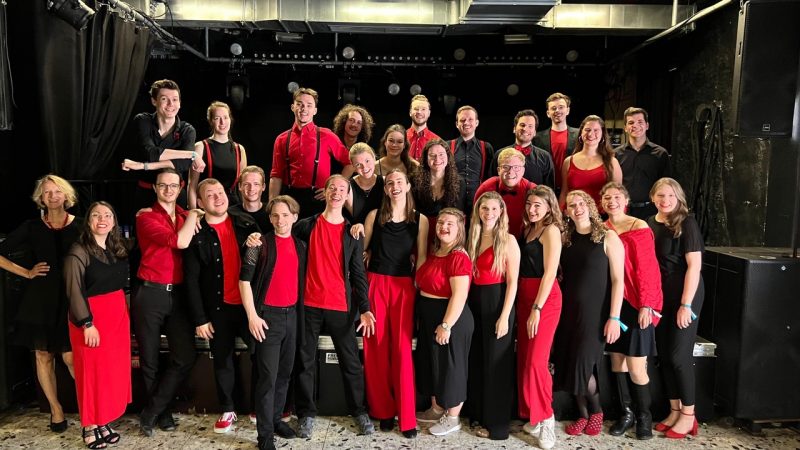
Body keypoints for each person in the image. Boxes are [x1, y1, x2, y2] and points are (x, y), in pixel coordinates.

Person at [292, 175, 376, 438]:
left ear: (347, 194)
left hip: (340, 306)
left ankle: (359, 411)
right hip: (308, 305)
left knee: (351, 363)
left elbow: (358, 273)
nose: (337, 192)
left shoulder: (352, 232)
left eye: (342, 189)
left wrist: (365, 307)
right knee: (305, 361)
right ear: (325, 192)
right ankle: (306, 414)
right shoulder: (305, 226)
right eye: (332, 188)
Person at [0, 174, 80, 433]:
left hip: (72, 298)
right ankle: (56, 410)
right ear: (41, 198)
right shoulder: (32, 227)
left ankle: (89, 408)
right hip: (40, 300)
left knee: (71, 357)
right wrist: (26, 272)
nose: (53, 196)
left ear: (66, 195)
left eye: (57, 191)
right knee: (43, 356)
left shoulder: (81, 226)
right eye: (47, 192)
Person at [355, 169, 428, 439]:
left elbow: (421, 257)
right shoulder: (375, 215)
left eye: (399, 182)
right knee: (375, 348)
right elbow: (361, 251)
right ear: (385, 189)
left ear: (407, 186)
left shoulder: (420, 220)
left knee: (401, 350)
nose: (394, 186)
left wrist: (417, 287)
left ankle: (407, 418)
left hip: (403, 288)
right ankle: (383, 410)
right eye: (390, 183)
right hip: (375, 283)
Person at [183, 179, 259, 434]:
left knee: (261, 354)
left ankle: (259, 406)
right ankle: (228, 408)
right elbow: (191, 280)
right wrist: (200, 319)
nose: (218, 197)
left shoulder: (245, 222)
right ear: (200, 203)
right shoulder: (196, 233)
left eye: (220, 192)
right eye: (210, 195)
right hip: (217, 308)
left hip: (249, 307)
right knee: (222, 359)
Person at [133, 168, 204, 437]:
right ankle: (161, 413)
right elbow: (179, 241)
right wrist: (194, 214)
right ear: (155, 188)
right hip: (150, 294)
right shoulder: (146, 217)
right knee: (150, 359)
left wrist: (194, 214)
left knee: (184, 356)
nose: (168, 190)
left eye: (173, 185)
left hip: (179, 295)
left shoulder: (185, 216)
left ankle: (152, 410)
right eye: (163, 185)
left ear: (181, 187)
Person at [553, 190, 624, 437]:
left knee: (584, 365)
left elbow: (618, 281)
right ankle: (582, 415)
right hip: (567, 312)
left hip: (595, 314)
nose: (577, 208)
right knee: (571, 362)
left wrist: (614, 317)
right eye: (572, 205)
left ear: (590, 206)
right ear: (567, 211)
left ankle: (596, 412)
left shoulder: (608, 236)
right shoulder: (565, 238)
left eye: (581, 203)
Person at [240, 195, 307, 450]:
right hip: (267, 318)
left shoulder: (301, 246)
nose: (281, 220)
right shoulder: (259, 244)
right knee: (267, 378)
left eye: (286, 215)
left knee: (284, 374)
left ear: (295, 217)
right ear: (269, 218)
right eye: (276, 215)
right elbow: (244, 281)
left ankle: (277, 419)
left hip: (292, 317)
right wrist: (252, 316)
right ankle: (265, 436)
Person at [64, 202, 130, 449]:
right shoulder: (78, 251)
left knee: (109, 373)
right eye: (96, 215)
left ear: (113, 221)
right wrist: (87, 323)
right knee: (91, 374)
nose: (102, 219)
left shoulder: (115, 247)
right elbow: (73, 290)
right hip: (91, 319)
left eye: (107, 215)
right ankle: (89, 425)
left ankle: (103, 420)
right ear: (88, 221)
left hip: (116, 318)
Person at [600, 182, 663, 440]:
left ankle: (644, 417)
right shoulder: (602, 229)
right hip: (613, 302)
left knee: (637, 365)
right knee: (617, 360)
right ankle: (626, 414)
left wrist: (647, 304)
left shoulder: (640, 227)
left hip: (637, 302)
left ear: (625, 200)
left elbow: (648, 269)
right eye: (606, 197)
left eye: (616, 197)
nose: (611, 201)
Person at [647, 177, 704, 439]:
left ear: (678, 197)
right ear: (652, 197)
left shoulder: (687, 223)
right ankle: (675, 410)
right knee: (665, 355)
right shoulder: (650, 223)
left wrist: (685, 305)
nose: (665, 200)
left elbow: (694, 267)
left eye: (671, 195)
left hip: (685, 294)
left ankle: (689, 416)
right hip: (662, 297)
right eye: (661, 195)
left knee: (680, 356)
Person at [465, 192, 520, 440]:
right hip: (474, 303)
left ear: (501, 212)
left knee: (497, 366)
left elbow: (513, 282)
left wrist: (505, 316)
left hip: (497, 303)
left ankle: (498, 427)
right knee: (477, 360)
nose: (489, 213)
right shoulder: (472, 237)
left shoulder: (508, 240)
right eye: (484, 208)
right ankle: (478, 414)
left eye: (494, 209)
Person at [414, 208, 473, 436]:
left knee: (451, 368)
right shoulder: (436, 252)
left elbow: (460, 295)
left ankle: (453, 417)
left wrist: (446, 325)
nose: (443, 227)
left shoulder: (458, 256)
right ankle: (436, 409)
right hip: (430, 316)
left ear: (459, 229)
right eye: (440, 223)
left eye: (450, 224)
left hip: (450, 318)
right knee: (434, 365)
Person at [517, 185, 564, 450]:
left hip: (543, 300)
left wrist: (537, 307)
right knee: (525, 359)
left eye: (538, 205)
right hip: (524, 296)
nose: (532, 209)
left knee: (537, 362)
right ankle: (534, 415)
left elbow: (550, 273)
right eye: (529, 204)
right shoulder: (528, 229)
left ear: (549, 207)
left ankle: (547, 417)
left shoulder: (550, 230)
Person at [268, 87, 354, 218]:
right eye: (299, 104)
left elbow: (350, 163)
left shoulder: (327, 135)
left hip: (318, 199)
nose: (304, 109)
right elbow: (276, 175)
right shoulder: (282, 139)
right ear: (292, 107)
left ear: (315, 111)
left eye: (309, 105)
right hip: (290, 198)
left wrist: (334, 187)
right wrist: (272, 205)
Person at [123, 79, 202, 209]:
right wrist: (191, 154)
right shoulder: (143, 120)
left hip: (176, 196)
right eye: (164, 99)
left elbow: (184, 164)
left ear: (180, 103)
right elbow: (150, 152)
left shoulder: (187, 130)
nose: (171, 104)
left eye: (175, 99)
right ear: (154, 101)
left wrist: (143, 166)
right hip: (146, 194)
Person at [188, 101, 248, 209]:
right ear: (211, 121)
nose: (222, 122)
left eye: (225, 117)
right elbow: (192, 185)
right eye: (217, 118)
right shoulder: (201, 147)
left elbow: (242, 186)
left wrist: (245, 210)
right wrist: (193, 212)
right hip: (209, 205)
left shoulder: (239, 149)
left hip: (233, 206)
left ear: (230, 119)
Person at [615, 107, 671, 219]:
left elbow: (666, 185)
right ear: (625, 128)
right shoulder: (615, 155)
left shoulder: (660, 153)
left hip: (652, 212)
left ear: (647, 125)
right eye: (631, 123)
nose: (635, 126)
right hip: (623, 211)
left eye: (640, 122)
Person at [559, 115, 622, 212]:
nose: (591, 134)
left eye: (596, 130)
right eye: (587, 130)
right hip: (575, 215)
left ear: (602, 134)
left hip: (602, 217)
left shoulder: (612, 162)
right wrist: (559, 215)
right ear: (581, 133)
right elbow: (564, 193)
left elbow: (618, 196)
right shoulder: (568, 161)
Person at [410, 139, 466, 241]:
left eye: (441, 154)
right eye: (432, 155)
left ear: (448, 157)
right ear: (426, 158)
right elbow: (411, 213)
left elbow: (458, 216)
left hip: (447, 235)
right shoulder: (414, 180)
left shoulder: (459, 183)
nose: (437, 159)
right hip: (420, 234)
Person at [474, 148, 534, 237]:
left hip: (524, 240)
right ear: (498, 170)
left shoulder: (532, 190)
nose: (510, 172)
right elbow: (475, 218)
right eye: (506, 167)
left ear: (523, 171)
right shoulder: (486, 187)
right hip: (491, 238)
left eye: (516, 167)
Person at [489, 109, 554, 189]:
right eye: (522, 125)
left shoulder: (545, 157)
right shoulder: (499, 154)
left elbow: (549, 190)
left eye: (530, 126)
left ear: (534, 132)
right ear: (514, 129)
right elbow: (491, 184)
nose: (525, 129)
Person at [449, 106, 494, 219]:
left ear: (477, 123)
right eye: (462, 120)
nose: (466, 123)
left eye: (470, 119)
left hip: (478, 201)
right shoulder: (447, 146)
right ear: (457, 124)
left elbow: (490, 177)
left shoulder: (486, 147)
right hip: (453, 201)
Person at [533, 92, 580, 192]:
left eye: (561, 107)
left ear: (568, 110)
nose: (557, 110)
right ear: (548, 113)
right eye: (553, 108)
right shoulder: (537, 138)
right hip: (546, 190)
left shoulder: (579, 135)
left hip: (572, 189)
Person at [345, 143, 384, 225]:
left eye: (367, 161)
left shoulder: (386, 182)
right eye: (358, 164)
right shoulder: (347, 187)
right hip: (357, 232)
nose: (364, 167)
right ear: (353, 166)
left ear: (374, 158)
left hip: (382, 231)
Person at [229, 165, 270, 232]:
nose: (251, 188)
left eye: (256, 184)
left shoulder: (271, 212)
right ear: (240, 186)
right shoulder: (230, 214)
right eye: (246, 184)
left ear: (263, 187)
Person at [407, 95, 441, 161]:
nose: (419, 112)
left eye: (423, 109)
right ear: (410, 112)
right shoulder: (401, 138)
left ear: (429, 113)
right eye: (416, 109)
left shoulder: (437, 141)